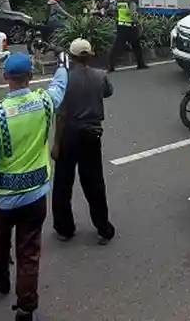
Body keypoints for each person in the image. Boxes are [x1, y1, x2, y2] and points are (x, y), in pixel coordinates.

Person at [0, 52, 68, 321]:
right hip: (36, 194)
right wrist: (62, 65)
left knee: (0, 241)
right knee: (29, 253)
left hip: (4, 198)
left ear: (5, 77)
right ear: (31, 76)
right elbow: (60, 86)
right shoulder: (44, 102)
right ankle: (26, 308)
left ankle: (1, 277)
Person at [51, 38, 116, 245]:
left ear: (71, 56)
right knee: (94, 183)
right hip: (91, 135)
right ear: (89, 55)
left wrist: (56, 144)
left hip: (69, 134)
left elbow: (61, 116)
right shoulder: (100, 76)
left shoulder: (66, 80)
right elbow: (108, 92)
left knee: (63, 183)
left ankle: (64, 228)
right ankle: (103, 229)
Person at [112, 0, 146, 71]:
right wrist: (138, 23)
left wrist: (118, 21)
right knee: (136, 46)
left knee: (116, 47)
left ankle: (111, 66)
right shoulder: (131, 3)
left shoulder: (118, 2)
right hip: (131, 27)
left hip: (121, 26)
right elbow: (133, 14)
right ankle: (140, 64)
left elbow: (115, 12)